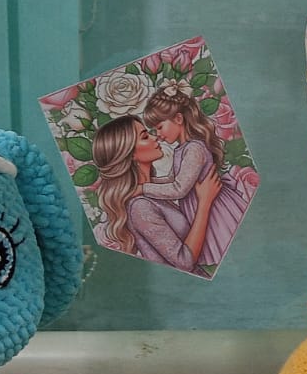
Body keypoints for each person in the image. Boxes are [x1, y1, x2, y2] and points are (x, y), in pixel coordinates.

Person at [91, 116, 223, 276]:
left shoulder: (153, 192)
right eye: (145, 137)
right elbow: (185, 262)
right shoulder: (140, 206)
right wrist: (205, 203)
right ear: (130, 154)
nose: (155, 138)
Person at [140, 88, 252, 268]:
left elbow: (179, 189)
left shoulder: (194, 149)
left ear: (178, 118)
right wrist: (149, 183)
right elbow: (173, 179)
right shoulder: (182, 149)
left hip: (215, 209)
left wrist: (143, 189)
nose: (158, 135)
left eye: (159, 127)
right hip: (197, 204)